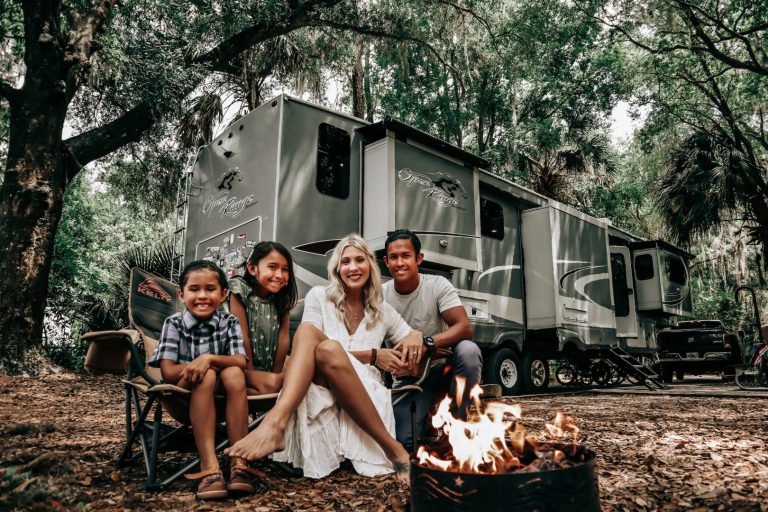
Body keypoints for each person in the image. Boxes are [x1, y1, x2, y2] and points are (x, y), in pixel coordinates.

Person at [226, 234, 417, 482]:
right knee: (312, 336)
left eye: (360, 260)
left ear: (370, 265)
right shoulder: (319, 296)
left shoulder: (382, 310)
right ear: (337, 268)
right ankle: (276, 424)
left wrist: (417, 335)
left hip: (364, 391)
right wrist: (372, 355)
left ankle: (276, 423)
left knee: (328, 350)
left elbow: (409, 337)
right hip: (319, 386)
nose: (353, 267)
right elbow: (306, 350)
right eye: (345, 261)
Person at [148, 260, 253, 500]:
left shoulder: (230, 323)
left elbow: (240, 362)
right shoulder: (173, 323)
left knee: (233, 372)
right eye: (194, 289)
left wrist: (208, 358)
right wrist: (201, 367)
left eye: (210, 289)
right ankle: (209, 468)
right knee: (206, 376)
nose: (202, 296)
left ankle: (239, 463)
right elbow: (168, 372)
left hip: (223, 400)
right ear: (182, 295)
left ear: (223, 294)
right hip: (182, 399)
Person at [382, 229, 482, 450]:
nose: (400, 262)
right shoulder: (380, 295)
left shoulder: (436, 285)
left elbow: (465, 328)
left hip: (442, 369)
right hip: (409, 376)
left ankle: (457, 427)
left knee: (468, 351)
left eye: (406, 256)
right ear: (386, 262)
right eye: (394, 257)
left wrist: (427, 344)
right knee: (404, 443)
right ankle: (426, 418)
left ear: (418, 258)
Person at [227, 241, 297, 394]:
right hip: (241, 369)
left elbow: (284, 339)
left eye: (285, 270)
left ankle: (269, 386)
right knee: (277, 385)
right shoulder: (240, 290)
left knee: (280, 383)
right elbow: (242, 336)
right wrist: (253, 375)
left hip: (269, 371)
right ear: (252, 268)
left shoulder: (281, 298)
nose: (279, 275)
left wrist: (275, 375)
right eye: (272, 267)